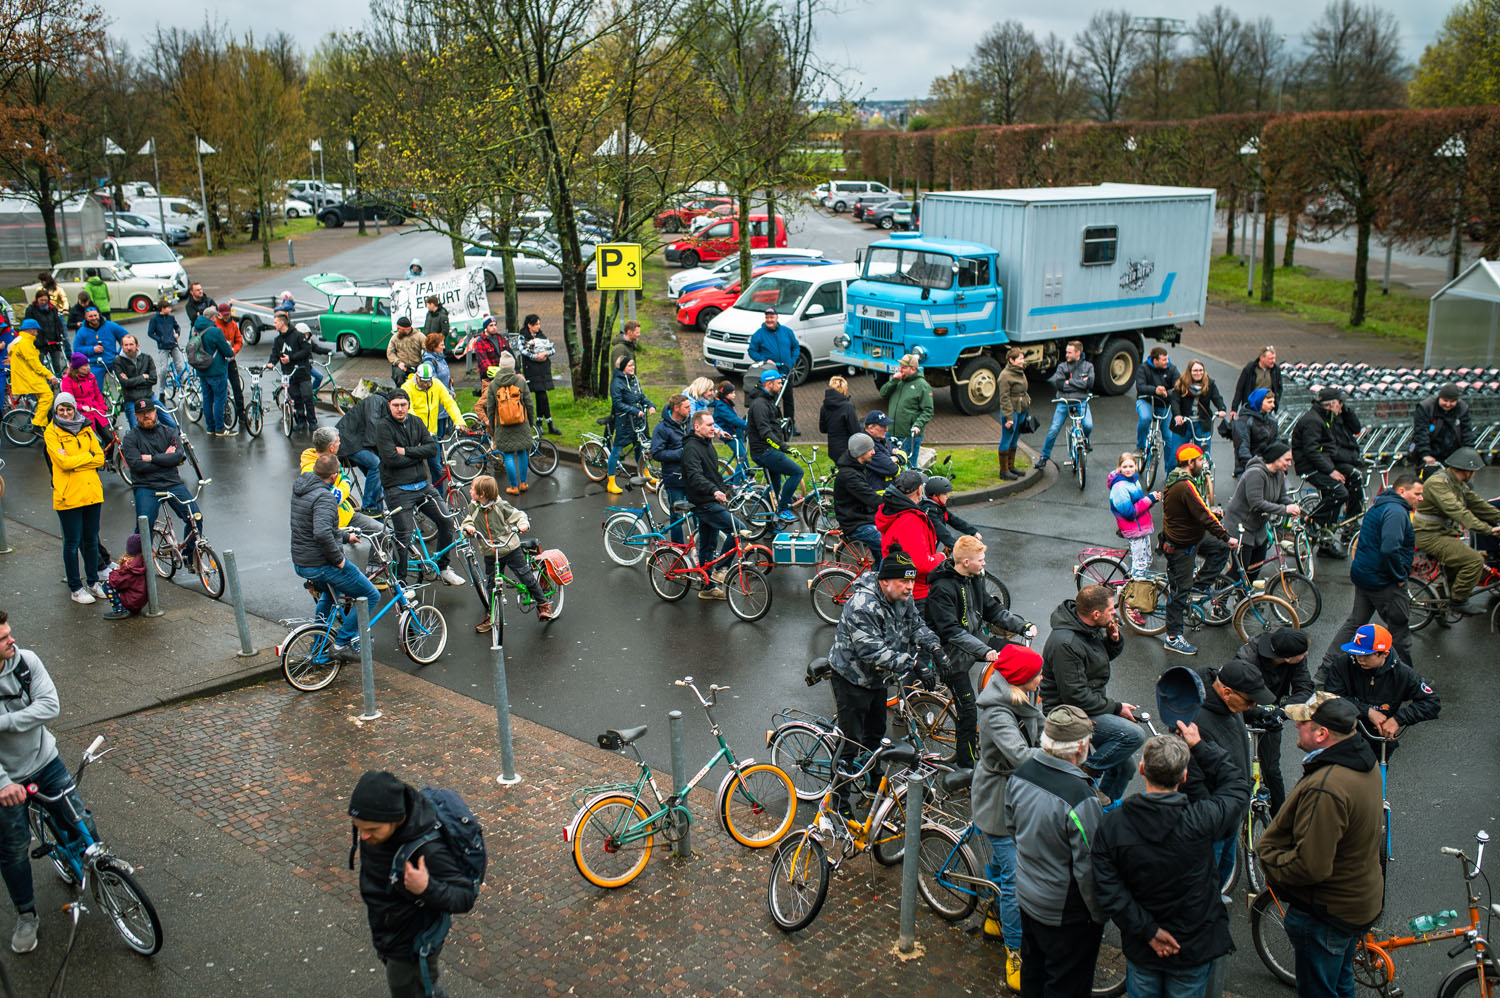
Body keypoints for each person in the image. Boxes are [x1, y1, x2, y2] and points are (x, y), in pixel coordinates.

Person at [1093, 724, 1249, 998]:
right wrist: (1199, 745)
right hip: (1192, 946)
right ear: (1185, 776)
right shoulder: (1202, 818)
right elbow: (1237, 786)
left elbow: (1108, 887)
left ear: (1142, 769)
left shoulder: (1114, 825)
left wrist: (1149, 930)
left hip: (1143, 946)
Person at [1256, 692, 1383, 998]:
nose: (1295, 727)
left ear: (1321, 733)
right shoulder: (1363, 761)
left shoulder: (1327, 786)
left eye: (1302, 723)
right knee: (1341, 983)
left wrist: (1271, 861)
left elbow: (1310, 865)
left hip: (1326, 912)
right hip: (1356, 901)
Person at [0, 610, 100, 954]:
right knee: (12, 850)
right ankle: (26, 915)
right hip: (6, 781)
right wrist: (2, 783)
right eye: (3, 638)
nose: (12, 640)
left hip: (45, 762)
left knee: (80, 820)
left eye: (9, 633)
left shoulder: (26, 662)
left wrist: (5, 721)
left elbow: (49, 707)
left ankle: (101, 875)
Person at [827, 548, 943, 813]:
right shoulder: (862, 604)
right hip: (852, 678)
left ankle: (871, 783)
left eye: (912, 581)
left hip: (878, 679)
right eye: (905, 581)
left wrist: (935, 648)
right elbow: (871, 651)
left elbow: (916, 626)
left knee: (876, 734)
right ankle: (838, 803)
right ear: (885, 580)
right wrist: (912, 663)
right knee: (850, 741)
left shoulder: (903, 597)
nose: (910, 587)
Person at [347, 770, 478, 998]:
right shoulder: (377, 825)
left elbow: (464, 896)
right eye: (358, 827)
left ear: (396, 820)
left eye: (371, 830)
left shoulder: (428, 851)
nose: (364, 837)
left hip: (413, 944)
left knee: (410, 990)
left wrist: (426, 888)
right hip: (389, 930)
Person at [1005, 704, 1105, 998]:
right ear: (1080, 749)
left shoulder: (1021, 774)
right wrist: (1098, 913)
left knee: (1033, 975)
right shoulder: (1081, 797)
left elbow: (1012, 827)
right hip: (1066, 915)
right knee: (1066, 986)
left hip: (1028, 898)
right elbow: (1088, 866)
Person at [924, 535, 1036, 766]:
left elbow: (992, 610)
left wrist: (1022, 625)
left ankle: (1010, 714)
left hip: (976, 640)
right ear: (965, 562)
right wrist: (984, 651)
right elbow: (952, 632)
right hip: (951, 653)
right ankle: (966, 768)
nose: (984, 563)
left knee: (1023, 658)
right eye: (981, 559)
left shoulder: (973, 578)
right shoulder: (941, 589)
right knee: (968, 713)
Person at [972, 643, 1047, 990]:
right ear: (1021, 678)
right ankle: (1014, 953)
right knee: (1016, 883)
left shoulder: (1023, 694)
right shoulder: (996, 712)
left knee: (1005, 871)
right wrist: (1060, 755)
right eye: (1037, 675)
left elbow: (1041, 727)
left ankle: (992, 918)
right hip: (998, 802)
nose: (1042, 679)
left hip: (1016, 797)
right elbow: (1018, 755)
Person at [1183, 660, 1275, 904]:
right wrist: (1219, 814)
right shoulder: (1196, 722)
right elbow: (1192, 782)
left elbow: (1245, 709)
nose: (1251, 706)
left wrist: (1265, 713)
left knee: (1222, 877)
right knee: (1203, 886)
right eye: (1249, 701)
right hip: (1214, 822)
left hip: (1230, 816)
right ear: (1226, 692)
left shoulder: (1229, 707)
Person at [1039, 584, 1140, 805]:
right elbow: (1075, 695)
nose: (1115, 613)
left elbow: (1095, 662)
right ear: (1096, 614)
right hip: (1069, 711)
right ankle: (1081, 776)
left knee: (1125, 767)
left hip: (1085, 703)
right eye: (1112, 609)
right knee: (1132, 735)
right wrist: (1116, 707)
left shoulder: (1085, 628)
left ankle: (1103, 812)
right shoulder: (1065, 643)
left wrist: (1113, 641)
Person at [1323, 475, 1423, 666]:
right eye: (1417, 493)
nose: (1421, 498)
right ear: (1402, 491)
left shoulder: (1380, 505)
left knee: (1355, 623)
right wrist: (1399, 576)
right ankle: (1406, 679)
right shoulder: (1396, 512)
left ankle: (1326, 668)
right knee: (1400, 631)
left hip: (1365, 576)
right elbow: (1389, 548)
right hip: (1384, 581)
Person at [291, 453, 383, 655]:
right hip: (321, 563)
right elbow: (322, 534)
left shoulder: (301, 488)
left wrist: (345, 536)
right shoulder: (325, 497)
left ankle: (319, 645)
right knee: (371, 594)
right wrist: (339, 561)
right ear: (334, 476)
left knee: (330, 595)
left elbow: (314, 527)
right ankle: (341, 641)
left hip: (302, 561)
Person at [373, 390, 464, 589]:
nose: (399, 409)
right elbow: (390, 459)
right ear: (389, 406)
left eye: (403, 405)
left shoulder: (416, 422)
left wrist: (405, 450)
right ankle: (402, 582)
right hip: (398, 490)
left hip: (423, 486)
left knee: (446, 520)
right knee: (403, 536)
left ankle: (444, 568)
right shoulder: (383, 427)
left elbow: (432, 449)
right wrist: (417, 452)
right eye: (395, 405)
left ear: (408, 404)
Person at [1158, 443, 1235, 656]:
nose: (1203, 464)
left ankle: (1198, 587)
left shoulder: (1181, 479)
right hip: (1181, 546)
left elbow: (1196, 509)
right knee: (1179, 591)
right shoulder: (1184, 485)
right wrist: (1227, 536)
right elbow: (1203, 515)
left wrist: (1212, 514)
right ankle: (1173, 637)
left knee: (1220, 549)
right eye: (1200, 460)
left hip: (1193, 538)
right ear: (1190, 462)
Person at [1320, 624, 1440, 760]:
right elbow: (1332, 697)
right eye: (1356, 652)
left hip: (1379, 741)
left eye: (1367, 655)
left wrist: (1398, 719)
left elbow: (1431, 702)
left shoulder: (1403, 674)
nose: (1360, 659)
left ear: (1384, 654)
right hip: (1344, 736)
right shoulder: (1342, 663)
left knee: (1373, 778)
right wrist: (1367, 712)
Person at [1231, 628, 1314, 815]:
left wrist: (1281, 712)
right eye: (1302, 654)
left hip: (1271, 710)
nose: (1306, 654)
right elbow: (1233, 695)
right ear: (1286, 658)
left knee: (1271, 770)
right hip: (1241, 708)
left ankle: (1280, 819)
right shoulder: (1247, 658)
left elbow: (1304, 689)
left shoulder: (1295, 655)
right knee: (1234, 768)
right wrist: (1257, 712)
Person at [1412, 447, 1500, 615]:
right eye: (1474, 471)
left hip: (1443, 533)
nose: (1475, 474)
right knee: (1473, 560)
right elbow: (1458, 512)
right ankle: (1458, 601)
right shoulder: (1439, 483)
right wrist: (1489, 529)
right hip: (1428, 534)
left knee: (1457, 568)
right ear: (1468, 470)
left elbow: (1479, 506)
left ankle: (1440, 602)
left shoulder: (1457, 484)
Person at [462, 474, 551, 628]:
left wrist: (523, 525)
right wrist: (468, 528)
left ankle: (543, 604)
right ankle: (492, 616)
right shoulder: (473, 507)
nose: (470, 492)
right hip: (490, 551)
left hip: (510, 549)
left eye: (472, 489)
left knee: (526, 576)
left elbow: (519, 515)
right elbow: (469, 520)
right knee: (491, 584)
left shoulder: (500, 506)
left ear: (482, 494)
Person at [300, 427, 387, 582]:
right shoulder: (311, 469)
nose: (341, 444)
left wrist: (341, 486)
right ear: (331, 447)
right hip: (333, 522)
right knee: (339, 569)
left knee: (382, 531)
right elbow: (335, 497)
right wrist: (345, 484)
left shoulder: (332, 459)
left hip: (346, 514)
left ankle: (374, 572)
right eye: (338, 441)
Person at [44, 393, 107, 604]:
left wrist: (76, 459)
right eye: (61, 409)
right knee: (71, 544)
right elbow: (63, 464)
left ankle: (93, 581)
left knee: (91, 541)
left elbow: (100, 458)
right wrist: (86, 458)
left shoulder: (86, 428)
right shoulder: (51, 433)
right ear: (55, 411)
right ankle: (75, 587)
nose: (65, 413)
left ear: (74, 409)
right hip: (68, 495)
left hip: (91, 493)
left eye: (68, 409)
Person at [122, 399, 200, 551]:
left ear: (155, 412)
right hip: (146, 486)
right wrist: (165, 459)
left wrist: (151, 458)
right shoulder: (130, 438)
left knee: (195, 518)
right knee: (144, 527)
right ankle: (139, 566)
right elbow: (136, 465)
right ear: (136, 416)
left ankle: (190, 556)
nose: (146, 416)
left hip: (172, 483)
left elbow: (178, 456)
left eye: (149, 412)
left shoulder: (169, 432)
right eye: (142, 414)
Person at [1223, 442, 1301, 581]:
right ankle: (1223, 597)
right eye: (1287, 460)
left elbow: (1282, 497)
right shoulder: (1256, 473)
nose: (1290, 463)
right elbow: (1256, 503)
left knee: (1255, 568)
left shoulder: (1279, 474)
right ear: (1276, 458)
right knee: (1240, 571)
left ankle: (1245, 601)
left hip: (1258, 528)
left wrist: (1293, 507)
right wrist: (1284, 510)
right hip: (1241, 527)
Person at [681, 409, 736, 600]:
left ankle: (707, 587)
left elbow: (711, 472)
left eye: (714, 424)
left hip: (710, 498)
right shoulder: (691, 448)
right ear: (697, 427)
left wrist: (726, 486)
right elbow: (695, 476)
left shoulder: (706, 443)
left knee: (707, 545)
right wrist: (714, 490)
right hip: (703, 502)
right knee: (738, 529)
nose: (714, 428)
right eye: (710, 425)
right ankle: (720, 569)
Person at [1291, 388, 1353, 556]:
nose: (1342, 406)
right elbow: (1311, 451)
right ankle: (1310, 519)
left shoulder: (1326, 417)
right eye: (1339, 403)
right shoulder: (1313, 420)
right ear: (1331, 404)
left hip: (1323, 463)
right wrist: (1331, 471)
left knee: (1344, 486)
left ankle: (1326, 544)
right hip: (1309, 467)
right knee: (1339, 493)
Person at [874, 470, 944, 602]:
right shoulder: (910, 521)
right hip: (916, 593)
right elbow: (920, 564)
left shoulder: (893, 510)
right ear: (919, 490)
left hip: (899, 588)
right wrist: (941, 558)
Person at [746, 369, 803, 521]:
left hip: (768, 450)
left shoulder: (768, 400)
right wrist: (785, 448)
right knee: (797, 472)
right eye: (778, 383)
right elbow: (766, 434)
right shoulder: (760, 404)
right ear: (769, 384)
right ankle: (782, 509)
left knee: (775, 487)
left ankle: (769, 522)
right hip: (764, 451)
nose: (780, 385)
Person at [403, 361, 467, 481]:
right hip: (415, 435)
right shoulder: (407, 388)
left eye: (428, 381)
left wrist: (459, 421)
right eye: (423, 381)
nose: (426, 384)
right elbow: (409, 411)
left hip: (432, 435)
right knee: (415, 469)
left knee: (436, 467)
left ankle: (439, 497)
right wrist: (420, 431)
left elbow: (448, 403)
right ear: (416, 376)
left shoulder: (436, 384)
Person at [1037, 340, 1094, 469]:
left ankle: (1085, 440)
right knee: (1054, 430)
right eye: (1066, 352)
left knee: (1088, 425)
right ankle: (1044, 457)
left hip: (1081, 401)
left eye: (1069, 352)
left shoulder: (1088, 366)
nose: (1066, 355)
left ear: (1078, 353)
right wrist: (1080, 383)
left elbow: (1089, 384)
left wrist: (1069, 382)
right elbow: (1060, 385)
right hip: (1064, 402)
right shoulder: (1062, 367)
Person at [336, 388, 393, 514]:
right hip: (349, 442)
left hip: (357, 443)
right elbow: (373, 425)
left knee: (375, 475)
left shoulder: (383, 404)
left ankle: (377, 512)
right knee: (376, 465)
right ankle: (369, 506)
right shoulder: (376, 400)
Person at [605, 355, 654, 495]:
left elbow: (641, 397)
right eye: (629, 366)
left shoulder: (634, 380)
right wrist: (634, 410)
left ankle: (645, 474)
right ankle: (611, 482)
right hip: (624, 422)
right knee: (617, 450)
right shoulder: (616, 383)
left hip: (638, 421)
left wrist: (650, 405)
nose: (633, 368)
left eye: (633, 365)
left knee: (640, 447)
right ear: (622, 368)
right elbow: (618, 403)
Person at [834, 433, 885, 567]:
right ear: (860, 453)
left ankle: (878, 575)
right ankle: (884, 582)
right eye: (870, 449)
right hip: (856, 523)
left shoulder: (857, 467)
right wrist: (897, 502)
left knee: (882, 549)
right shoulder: (849, 476)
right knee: (888, 546)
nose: (874, 452)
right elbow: (871, 498)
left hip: (864, 517)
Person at [747, 307, 800, 434]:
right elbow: (752, 351)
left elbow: (795, 347)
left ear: (777, 318)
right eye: (767, 317)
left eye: (772, 317)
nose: (769, 320)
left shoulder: (787, 332)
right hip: (770, 374)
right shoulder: (759, 334)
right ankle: (771, 424)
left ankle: (790, 425)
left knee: (788, 400)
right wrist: (765, 360)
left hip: (786, 372)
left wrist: (791, 362)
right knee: (771, 400)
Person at [1107, 452, 1160, 578]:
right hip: (1135, 530)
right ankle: (1135, 594)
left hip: (1142, 529)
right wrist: (1149, 499)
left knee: (1146, 561)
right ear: (1119, 468)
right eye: (1124, 467)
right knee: (1139, 567)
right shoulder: (1119, 487)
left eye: (1131, 466)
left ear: (1136, 466)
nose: (1128, 469)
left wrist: (1152, 499)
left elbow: (1141, 505)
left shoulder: (1133, 481)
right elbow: (1129, 512)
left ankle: (1140, 589)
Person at [1168, 360, 1227, 463]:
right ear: (1189, 372)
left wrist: (1221, 409)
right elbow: (1175, 401)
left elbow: (1217, 398)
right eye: (1195, 370)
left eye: (1201, 370)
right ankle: (1172, 478)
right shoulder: (1181, 384)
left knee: (1204, 455)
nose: (1198, 373)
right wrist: (1177, 415)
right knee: (1176, 456)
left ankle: (1205, 477)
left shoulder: (1210, 384)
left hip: (1202, 424)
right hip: (1184, 424)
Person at [650, 394, 690, 544]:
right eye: (686, 407)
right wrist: (679, 453)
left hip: (691, 476)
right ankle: (678, 548)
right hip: (674, 479)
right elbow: (657, 453)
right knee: (677, 516)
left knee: (699, 512)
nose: (689, 410)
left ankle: (699, 546)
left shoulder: (689, 423)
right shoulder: (662, 429)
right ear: (676, 408)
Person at [8, 319, 58, 438]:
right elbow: (35, 364)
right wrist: (49, 375)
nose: (37, 332)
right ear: (31, 330)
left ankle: (44, 425)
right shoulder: (25, 343)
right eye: (36, 330)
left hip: (26, 376)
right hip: (29, 377)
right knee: (47, 396)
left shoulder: (20, 340)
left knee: (42, 400)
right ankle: (36, 424)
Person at [114, 334, 173, 431]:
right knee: (136, 430)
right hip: (132, 400)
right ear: (122, 346)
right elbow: (125, 383)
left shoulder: (147, 358)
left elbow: (153, 379)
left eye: (131, 344)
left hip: (149, 397)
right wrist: (142, 377)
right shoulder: (118, 362)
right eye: (125, 345)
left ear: (137, 346)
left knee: (171, 423)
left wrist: (131, 380)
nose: (128, 348)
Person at [1411, 383, 1474, 473]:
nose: (1448, 404)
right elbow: (1421, 432)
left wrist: (1468, 453)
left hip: (1453, 453)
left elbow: (1467, 432)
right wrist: (1425, 454)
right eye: (1445, 400)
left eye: (1452, 401)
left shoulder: (1462, 409)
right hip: (1432, 451)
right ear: (1439, 398)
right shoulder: (1426, 407)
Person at [881, 353, 933, 461]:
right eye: (900, 366)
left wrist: (918, 425)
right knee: (889, 464)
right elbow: (883, 393)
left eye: (904, 367)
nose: (900, 370)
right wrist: (893, 381)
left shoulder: (922, 386)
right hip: (891, 433)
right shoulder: (898, 382)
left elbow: (928, 410)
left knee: (908, 465)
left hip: (908, 435)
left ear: (913, 369)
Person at [194, 314, 236, 437]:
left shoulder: (195, 329)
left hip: (202, 371)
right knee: (219, 400)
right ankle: (220, 428)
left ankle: (210, 427)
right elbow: (227, 351)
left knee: (207, 399)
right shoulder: (215, 331)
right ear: (212, 317)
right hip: (216, 371)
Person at [517, 314, 559, 436]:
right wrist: (536, 356)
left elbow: (552, 349)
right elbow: (522, 350)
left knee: (541, 395)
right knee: (542, 394)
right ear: (529, 325)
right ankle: (549, 423)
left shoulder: (541, 335)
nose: (538, 327)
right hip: (532, 369)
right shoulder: (523, 337)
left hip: (543, 369)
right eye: (536, 324)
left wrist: (546, 353)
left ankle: (540, 422)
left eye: (539, 324)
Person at [211, 302, 250, 430]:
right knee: (223, 390)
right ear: (219, 314)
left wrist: (234, 351)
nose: (227, 317)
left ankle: (242, 415)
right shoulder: (215, 325)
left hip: (231, 360)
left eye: (228, 314)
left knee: (237, 389)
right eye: (224, 315)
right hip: (220, 362)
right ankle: (225, 413)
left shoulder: (233, 324)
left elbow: (239, 340)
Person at [71, 307, 126, 395]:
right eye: (90, 316)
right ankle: (100, 405)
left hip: (112, 361)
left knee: (126, 380)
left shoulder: (110, 325)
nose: (94, 318)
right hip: (95, 364)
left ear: (99, 315)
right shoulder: (82, 331)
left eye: (95, 315)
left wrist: (119, 353)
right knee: (94, 389)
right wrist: (92, 349)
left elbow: (125, 337)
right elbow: (77, 349)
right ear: (86, 318)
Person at [1134, 346, 1178, 452]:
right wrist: (1155, 390)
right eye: (1164, 360)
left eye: (1167, 359)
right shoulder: (1143, 368)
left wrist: (1167, 393)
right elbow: (1140, 387)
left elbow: (1178, 387)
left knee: (1169, 437)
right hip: (1146, 400)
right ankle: (1140, 446)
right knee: (1145, 418)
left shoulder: (1172, 369)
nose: (1167, 362)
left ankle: (1170, 467)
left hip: (1164, 404)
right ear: (1155, 360)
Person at [996, 346, 1031, 481]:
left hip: (1021, 409)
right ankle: (1003, 471)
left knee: (1015, 438)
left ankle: (1011, 467)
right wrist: (1009, 418)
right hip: (1011, 411)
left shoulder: (1019, 371)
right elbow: (1004, 398)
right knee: (1007, 438)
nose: (1023, 361)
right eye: (1020, 359)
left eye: (1022, 358)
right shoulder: (1005, 376)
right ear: (1011, 360)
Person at [920, 476, 981, 550]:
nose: (947, 496)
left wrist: (973, 531)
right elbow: (943, 533)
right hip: (922, 550)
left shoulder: (937, 507)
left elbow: (954, 520)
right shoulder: (930, 511)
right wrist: (960, 549)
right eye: (944, 494)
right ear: (935, 495)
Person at [1232, 388, 1280, 478]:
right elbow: (1243, 449)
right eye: (1269, 402)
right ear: (1259, 401)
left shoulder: (1272, 420)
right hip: (1249, 468)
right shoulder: (1244, 421)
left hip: (1269, 466)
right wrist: (1254, 468)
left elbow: (1277, 443)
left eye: (1273, 402)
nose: (1273, 405)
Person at [103, 533, 149, 619]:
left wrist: (113, 573)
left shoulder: (130, 566)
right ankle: (129, 608)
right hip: (139, 599)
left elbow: (117, 582)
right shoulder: (142, 562)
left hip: (132, 602)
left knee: (107, 584)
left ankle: (120, 610)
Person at [819, 376, 860, 470]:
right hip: (847, 449)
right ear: (844, 390)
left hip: (833, 449)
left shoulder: (824, 407)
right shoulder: (848, 407)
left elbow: (823, 428)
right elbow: (855, 431)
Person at [22, 289, 66, 375]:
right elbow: (29, 326)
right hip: (39, 342)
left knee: (57, 364)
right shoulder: (31, 310)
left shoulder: (53, 309)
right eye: (41, 300)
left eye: (45, 300)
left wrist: (59, 336)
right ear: (37, 299)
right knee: (39, 364)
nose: (43, 302)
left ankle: (58, 383)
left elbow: (58, 324)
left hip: (53, 341)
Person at [1230, 344, 1283, 414]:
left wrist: (1275, 403)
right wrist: (1234, 409)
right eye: (1270, 359)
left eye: (1274, 358)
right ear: (1261, 358)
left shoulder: (1276, 370)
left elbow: (1279, 388)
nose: (1273, 361)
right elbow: (1240, 389)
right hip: (1251, 407)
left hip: (1267, 408)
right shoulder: (1250, 368)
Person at [456, 315, 506, 385]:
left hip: (504, 374)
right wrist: (496, 373)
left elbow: (509, 354)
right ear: (485, 328)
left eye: (495, 325)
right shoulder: (480, 342)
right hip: (489, 378)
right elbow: (484, 362)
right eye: (491, 325)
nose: (494, 327)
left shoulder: (501, 338)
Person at [146, 298, 185, 376]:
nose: (170, 309)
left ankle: (183, 383)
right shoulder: (154, 319)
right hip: (163, 346)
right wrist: (160, 339)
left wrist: (177, 333)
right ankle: (162, 387)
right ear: (162, 309)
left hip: (173, 344)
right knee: (164, 368)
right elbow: (150, 333)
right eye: (168, 307)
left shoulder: (171, 318)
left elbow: (177, 327)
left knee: (179, 366)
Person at [862, 410, 900, 487]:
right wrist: (897, 459)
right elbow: (892, 469)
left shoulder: (881, 439)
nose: (886, 429)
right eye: (883, 426)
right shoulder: (867, 446)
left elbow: (899, 450)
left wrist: (897, 457)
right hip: (876, 491)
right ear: (871, 428)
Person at [712, 380, 747, 461]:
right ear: (725, 394)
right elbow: (733, 419)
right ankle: (743, 473)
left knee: (742, 458)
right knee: (743, 459)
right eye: (731, 393)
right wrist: (748, 426)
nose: (734, 395)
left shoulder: (727, 403)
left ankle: (744, 473)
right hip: (729, 434)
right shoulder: (721, 406)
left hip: (736, 433)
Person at [387, 316, 424, 387]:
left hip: (416, 365)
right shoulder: (395, 337)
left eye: (399, 329)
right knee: (399, 376)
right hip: (401, 365)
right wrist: (398, 362)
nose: (397, 330)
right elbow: (390, 353)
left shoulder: (419, 336)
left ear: (406, 329)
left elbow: (428, 348)